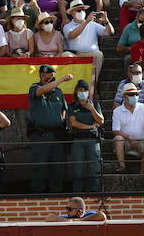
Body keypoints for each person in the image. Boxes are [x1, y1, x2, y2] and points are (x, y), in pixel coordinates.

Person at [26, 64, 71, 192]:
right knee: (39, 166)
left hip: (56, 134)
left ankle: (56, 192)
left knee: (57, 166)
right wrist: (61, 80)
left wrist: (61, 121)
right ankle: (37, 193)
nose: (45, 77)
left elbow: (64, 109)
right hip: (41, 134)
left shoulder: (58, 92)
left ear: (53, 76)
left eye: (48, 75)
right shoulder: (34, 87)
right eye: (42, 74)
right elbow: (41, 91)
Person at [66, 79, 104, 192]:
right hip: (78, 140)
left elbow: (101, 120)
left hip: (92, 140)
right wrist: (90, 126)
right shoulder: (72, 106)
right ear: (76, 92)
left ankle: (95, 193)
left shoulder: (95, 104)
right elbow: (73, 123)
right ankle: (78, 194)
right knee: (78, 170)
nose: (83, 92)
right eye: (80, 90)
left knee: (94, 169)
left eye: (85, 90)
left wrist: (91, 109)